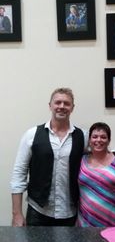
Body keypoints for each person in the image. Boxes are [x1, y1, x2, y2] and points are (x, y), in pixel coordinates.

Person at [10, 87, 85, 227]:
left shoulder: (82, 137)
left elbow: (99, 155)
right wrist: (17, 214)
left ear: (72, 108)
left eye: (66, 103)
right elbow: (18, 174)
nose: (62, 106)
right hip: (38, 212)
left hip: (70, 213)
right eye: (58, 102)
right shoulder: (31, 135)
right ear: (50, 105)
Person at [77, 122, 115, 227]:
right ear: (89, 140)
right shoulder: (81, 160)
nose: (98, 140)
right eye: (94, 137)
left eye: (103, 137)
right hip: (87, 223)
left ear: (109, 140)